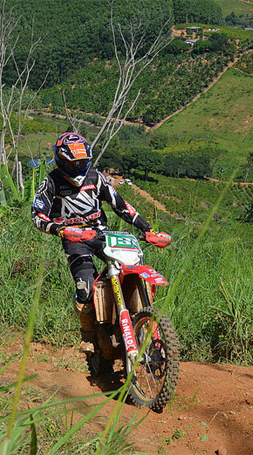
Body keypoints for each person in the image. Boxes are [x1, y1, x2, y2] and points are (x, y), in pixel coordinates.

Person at [31, 132, 171, 353]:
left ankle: (141, 324)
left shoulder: (96, 177)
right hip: (74, 239)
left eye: (83, 163)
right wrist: (62, 229)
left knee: (132, 269)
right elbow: (37, 216)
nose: (78, 168)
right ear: (61, 161)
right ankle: (88, 335)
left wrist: (149, 229)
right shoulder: (51, 182)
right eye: (73, 164)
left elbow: (121, 205)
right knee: (85, 287)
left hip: (101, 235)